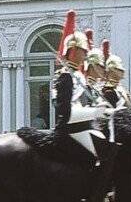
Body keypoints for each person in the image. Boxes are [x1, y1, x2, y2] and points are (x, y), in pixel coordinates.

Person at [51, 11, 110, 164]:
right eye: (83, 51)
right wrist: (96, 112)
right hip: (71, 129)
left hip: (82, 125)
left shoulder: (77, 76)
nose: (85, 55)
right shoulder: (65, 76)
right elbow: (65, 113)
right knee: (103, 154)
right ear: (74, 51)